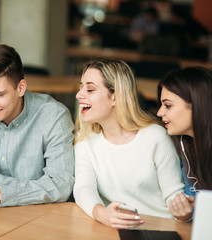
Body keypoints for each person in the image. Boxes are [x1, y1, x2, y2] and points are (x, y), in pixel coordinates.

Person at [0, 44, 74, 207]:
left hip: (40, 216)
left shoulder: (54, 116)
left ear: (21, 88)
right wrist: (33, 188)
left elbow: (60, 185)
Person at [73, 59, 184, 229]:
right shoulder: (85, 139)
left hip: (159, 228)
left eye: (90, 89)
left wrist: (184, 211)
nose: (79, 95)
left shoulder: (155, 137)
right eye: (81, 87)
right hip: (115, 228)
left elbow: (174, 196)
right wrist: (100, 213)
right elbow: (83, 186)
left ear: (115, 97)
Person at [157, 66, 212, 222]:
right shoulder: (183, 144)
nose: (159, 112)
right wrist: (189, 212)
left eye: (168, 105)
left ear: (196, 105)